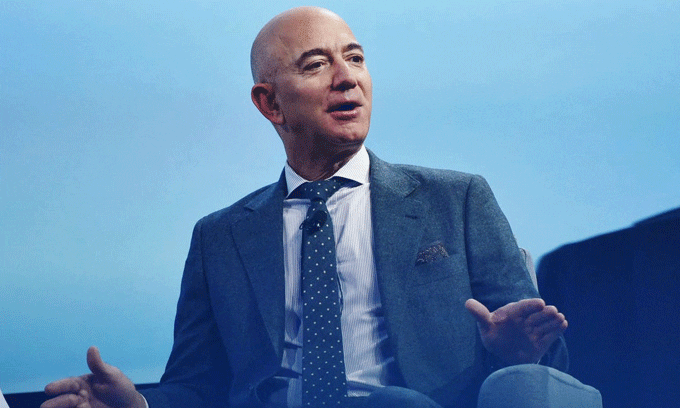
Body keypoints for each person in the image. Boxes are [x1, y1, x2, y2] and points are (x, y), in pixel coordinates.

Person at [41, 7, 568, 408]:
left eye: (355, 59)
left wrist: (517, 351)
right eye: (317, 65)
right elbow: (197, 384)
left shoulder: (457, 199)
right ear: (270, 103)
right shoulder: (220, 237)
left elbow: (548, 363)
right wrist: (139, 405)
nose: (347, 77)